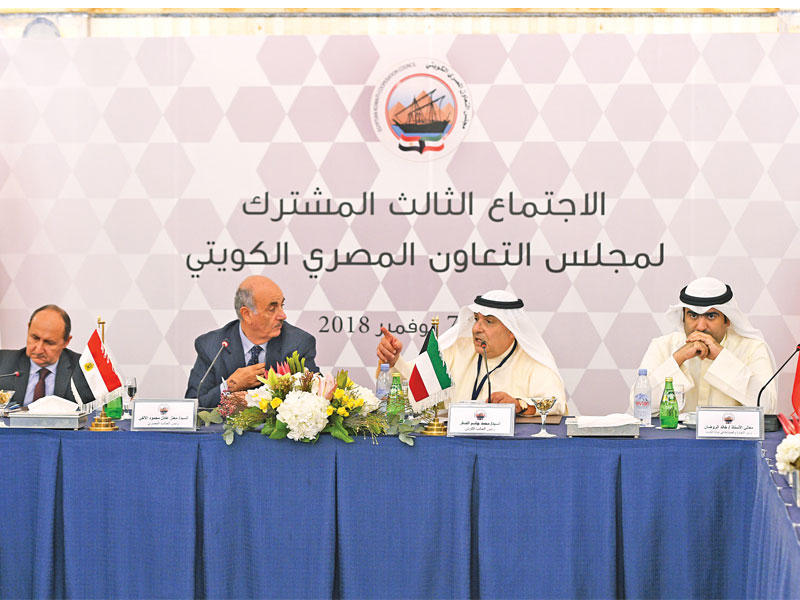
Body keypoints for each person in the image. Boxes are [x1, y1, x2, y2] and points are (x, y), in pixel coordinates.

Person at [377, 290, 567, 415]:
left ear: (511, 331)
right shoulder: (457, 350)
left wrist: (519, 405)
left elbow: (555, 402)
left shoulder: (532, 361)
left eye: (489, 322)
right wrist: (394, 361)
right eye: (476, 319)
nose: (476, 328)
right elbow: (414, 386)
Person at [630, 276, 777, 414]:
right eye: (693, 315)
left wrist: (722, 357)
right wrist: (678, 358)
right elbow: (638, 405)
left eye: (711, 316)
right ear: (683, 318)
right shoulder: (662, 346)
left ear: (727, 320)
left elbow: (767, 408)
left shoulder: (752, 348)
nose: (700, 327)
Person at [185, 275, 318, 408]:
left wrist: (262, 402)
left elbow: (315, 399)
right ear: (247, 314)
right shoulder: (211, 346)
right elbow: (193, 405)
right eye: (272, 309)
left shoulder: (298, 343)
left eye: (281, 305)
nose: (283, 315)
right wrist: (229, 386)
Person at [0, 304, 94, 406]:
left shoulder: (82, 369)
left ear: (66, 341)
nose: (39, 349)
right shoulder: (2, 362)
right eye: (35, 338)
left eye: (49, 342)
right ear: (28, 328)